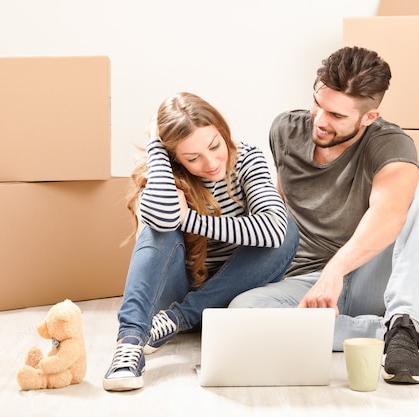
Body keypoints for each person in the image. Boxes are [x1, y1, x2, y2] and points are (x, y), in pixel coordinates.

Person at [229, 46, 419, 384]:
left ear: (369, 117)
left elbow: (390, 215)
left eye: (336, 116)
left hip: (368, 277)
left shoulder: (391, 144)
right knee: (241, 314)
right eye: (319, 104)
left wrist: (335, 270)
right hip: (305, 283)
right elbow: (279, 208)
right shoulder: (285, 130)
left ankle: (405, 323)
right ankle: (390, 331)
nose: (320, 121)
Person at [102, 92, 299, 392]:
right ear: (175, 157)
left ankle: (181, 317)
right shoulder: (165, 172)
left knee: (285, 231)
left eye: (214, 146)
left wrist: (192, 220)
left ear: (222, 131)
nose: (210, 163)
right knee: (158, 229)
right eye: (193, 158)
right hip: (177, 292)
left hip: (228, 294)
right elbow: (166, 220)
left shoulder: (247, 159)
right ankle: (129, 342)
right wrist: (157, 148)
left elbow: (272, 230)